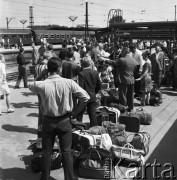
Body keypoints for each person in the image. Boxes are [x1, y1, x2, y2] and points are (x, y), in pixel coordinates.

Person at [29, 57, 90, 180]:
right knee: (66, 152)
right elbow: (85, 97)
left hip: (48, 121)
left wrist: (42, 73)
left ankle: (44, 178)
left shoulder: (42, 84)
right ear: (60, 69)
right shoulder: (69, 83)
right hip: (64, 121)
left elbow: (31, 84)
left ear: (48, 69)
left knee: (47, 152)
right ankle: (69, 178)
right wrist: (75, 113)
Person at [103, 47, 138, 112]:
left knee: (123, 95)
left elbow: (114, 63)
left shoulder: (121, 60)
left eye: (122, 51)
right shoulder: (134, 60)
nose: (121, 53)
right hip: (131, 80)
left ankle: (123, 109)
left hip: (123, 80)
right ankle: (131, 108)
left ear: (124, 52)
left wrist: (105, 60)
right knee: (130, 95)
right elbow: (136, 69)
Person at [77, 57, 101, 127]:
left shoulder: (81, 74)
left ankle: (79, 127)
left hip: (84, 97)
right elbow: (99, 85)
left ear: (82, 64)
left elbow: (81, 87)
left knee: (80, 113)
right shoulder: (95, 72)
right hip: (92, 95)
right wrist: (94, 92)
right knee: (92, 113)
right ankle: (94, 127)